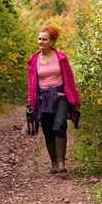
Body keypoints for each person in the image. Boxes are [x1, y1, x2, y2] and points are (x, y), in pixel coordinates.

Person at [27, 25, 81, 173]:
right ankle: (53, 163)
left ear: (51, 42)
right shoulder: (34, 60)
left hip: (60, 96)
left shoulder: (61, 57)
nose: (40, 42)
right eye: (39, 39)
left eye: (44, 39)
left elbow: (70, 79)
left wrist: (75, 101)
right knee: (48, 131)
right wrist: (30, 103)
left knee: (59, 125)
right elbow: (31, 83)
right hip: (42, 98)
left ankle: (61, 162)